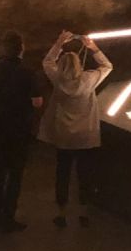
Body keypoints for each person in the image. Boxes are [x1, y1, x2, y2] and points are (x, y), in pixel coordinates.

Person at [39, 31, 113, 228]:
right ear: (79, 65)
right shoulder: (88, 80)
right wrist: (94, 48)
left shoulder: (57, 79)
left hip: (64, 135)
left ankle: (61, 213)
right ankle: (83, 213)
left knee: (62, 173)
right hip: (85, 135)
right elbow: (107, 66)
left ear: (61, 66)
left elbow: (47, 62)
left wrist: (59, 42)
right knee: (84, 174)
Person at [0, 30, 42, 233]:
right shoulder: (27, 72)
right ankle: (8, 216)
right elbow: (37, 102)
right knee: (15, 174)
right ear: (21, 49)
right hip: (19, 129)